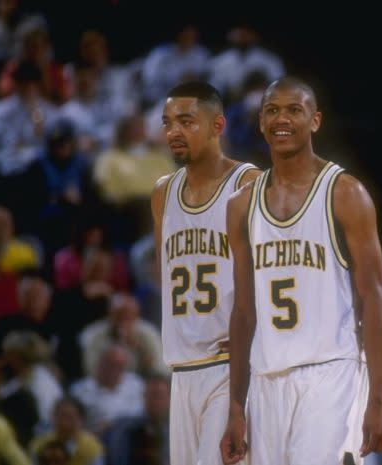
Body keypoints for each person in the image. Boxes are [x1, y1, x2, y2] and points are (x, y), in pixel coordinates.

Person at [219, 76, 382, 464]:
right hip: (267, 381)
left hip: (331, 375)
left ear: (315, 120)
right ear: (261, 123)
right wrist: (236, 406)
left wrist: (379, 399)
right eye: (272, 110)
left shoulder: (346, 193)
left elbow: (374, 297)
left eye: (294, 110)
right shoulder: (240, 205)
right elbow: (243, 311)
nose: (282, 119)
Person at [150, 81, 260, 465]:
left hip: (230, 368)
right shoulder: (163, 192)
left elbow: (273, 268)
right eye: (167, 123)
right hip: (182, 369)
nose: (173, 132)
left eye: (186, 121)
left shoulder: (248, 184)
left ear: (217, 126)